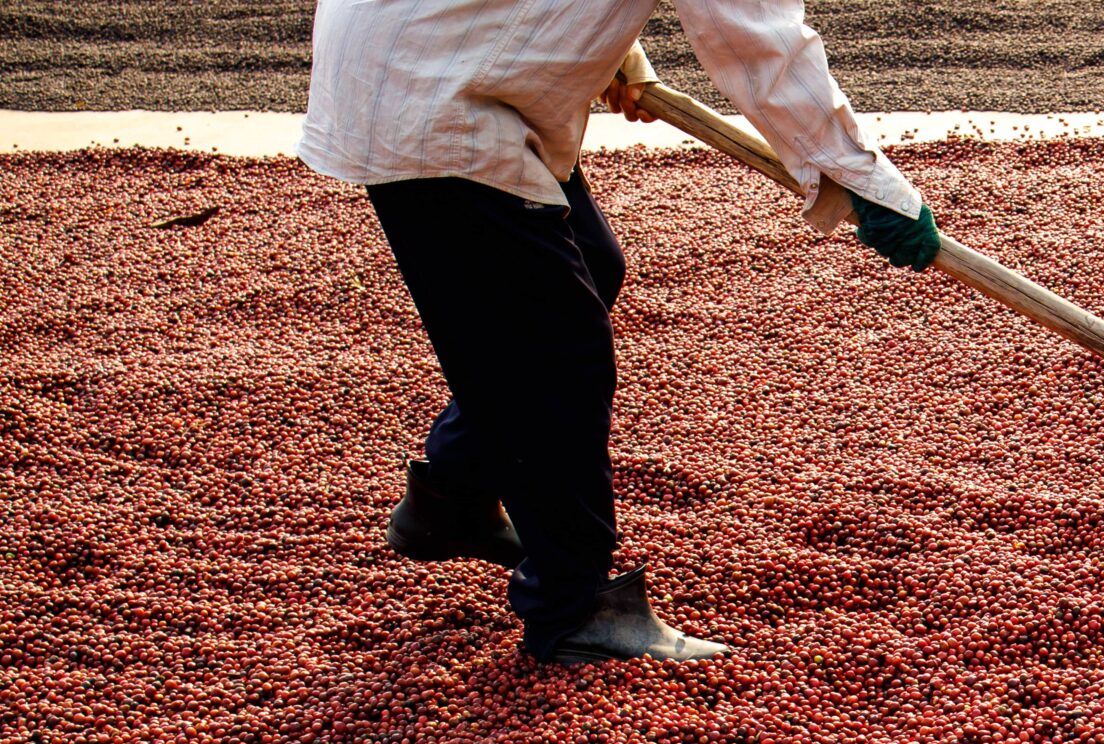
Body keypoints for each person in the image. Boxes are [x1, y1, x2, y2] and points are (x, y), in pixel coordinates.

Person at [299, 0, 939, 663]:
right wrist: (869, 185)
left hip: (426, 46)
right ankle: (573, 608)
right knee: (559, 350)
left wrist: (610, 48)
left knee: (582, 268)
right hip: (436, 83)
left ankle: (456, 489)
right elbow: (758, 42)